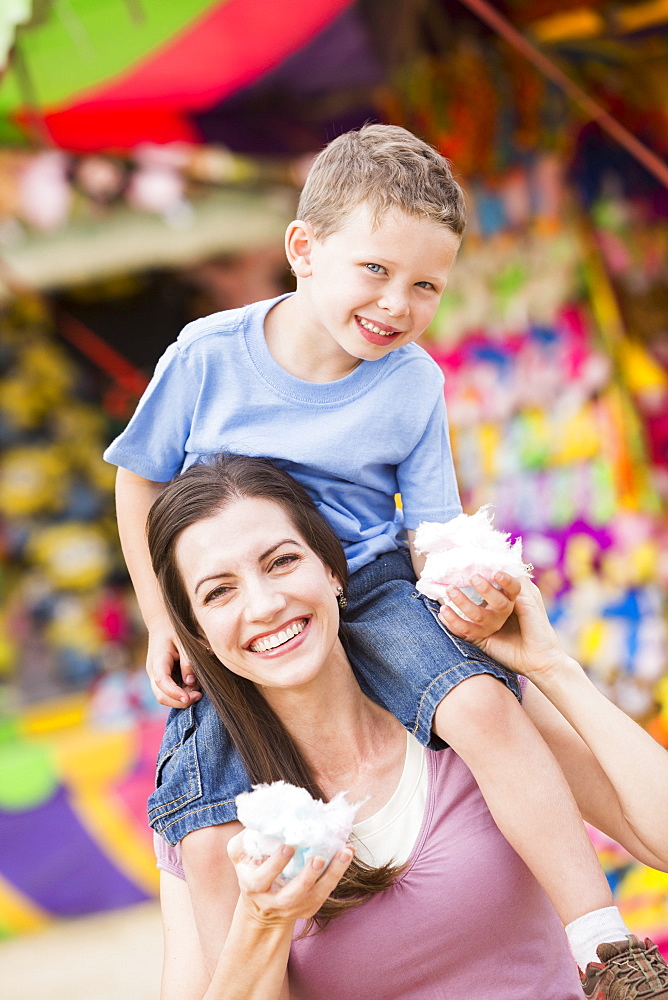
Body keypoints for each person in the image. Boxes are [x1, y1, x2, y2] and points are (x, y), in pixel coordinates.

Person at [106, 125, 626, 963]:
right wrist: (164, 616)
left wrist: (466, 588)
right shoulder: (208, 355)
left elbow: (431, 527)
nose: (397, 304)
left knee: (483, 705)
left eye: (426, 285)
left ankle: (601, 937)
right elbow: (138, 480)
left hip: (372, 579)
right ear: (304, 249)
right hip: (244, 588)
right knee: (202, 811)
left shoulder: (413, 380)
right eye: (376, 271)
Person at [146, 455, 668, 1000]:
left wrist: (551, 668)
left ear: (332, 571)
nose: (266, 604)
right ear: (197, 635)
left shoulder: (470, 709)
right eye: (219, 592)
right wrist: (264, 922)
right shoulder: (207, 819)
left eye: (281, 562)